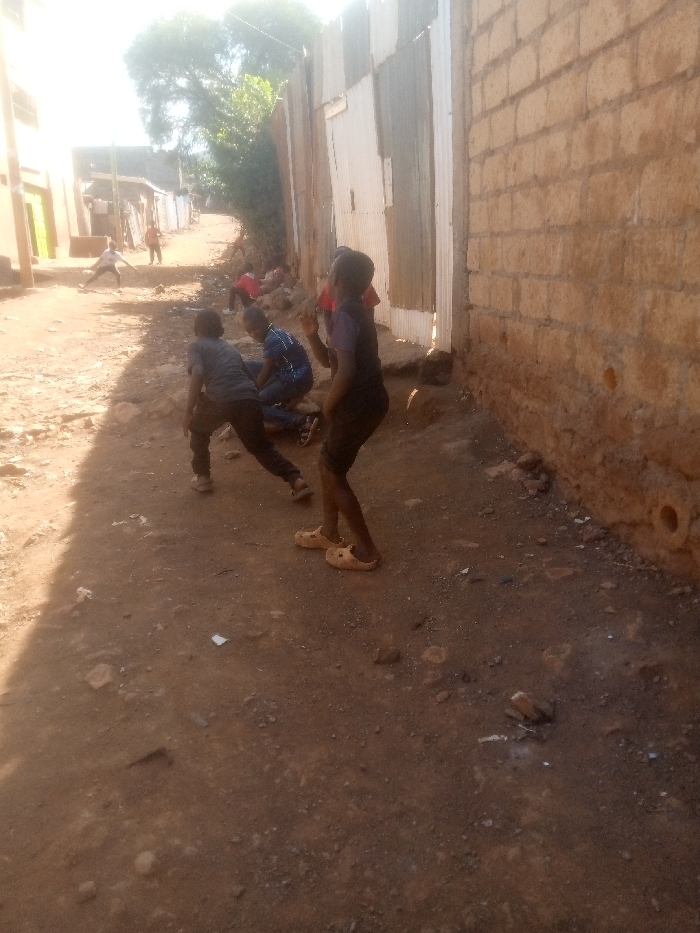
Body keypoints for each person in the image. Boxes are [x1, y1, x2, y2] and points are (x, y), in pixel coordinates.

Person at [295, 249, 388, 571]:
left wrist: (328, 406)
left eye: (328, 274)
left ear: (335, 280)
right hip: (367, 399)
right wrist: (312, 336)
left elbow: (346, 373)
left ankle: (366, 551)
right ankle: (329, 532)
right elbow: (330, 362)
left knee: (333, 472)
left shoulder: (346, 315)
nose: (326, 279)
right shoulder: (352, 312)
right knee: (327, 464)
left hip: (358, 402)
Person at [183, 309, 312, 501]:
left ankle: (202, 477)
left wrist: (188, 410)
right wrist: (251, 398)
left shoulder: (196, 346)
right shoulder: (229, 348)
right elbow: (249, 376)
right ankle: (295, 479)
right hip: (248, 398)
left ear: (197, 330)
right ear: (219, 329)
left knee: (198, 430)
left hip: (220, 398)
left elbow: (198, 372)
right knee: (260, 447)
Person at [241, 305, 319, 446]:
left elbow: (265, 371)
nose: (253, 334)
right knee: (246, 365)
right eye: (249, 331)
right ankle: (286, 399)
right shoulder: (273, 332)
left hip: (296, 380)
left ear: (265, 321)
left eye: (255, 328)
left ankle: (301, 421)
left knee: (256, 405)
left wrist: (252, 393)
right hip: (289, 372)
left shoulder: (272, 340)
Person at [316, 246, 381, 331]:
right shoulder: (329, 288)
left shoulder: (366, 287)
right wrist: (329, 332)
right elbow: (327, 312)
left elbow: (370, 309)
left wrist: (369, 326)